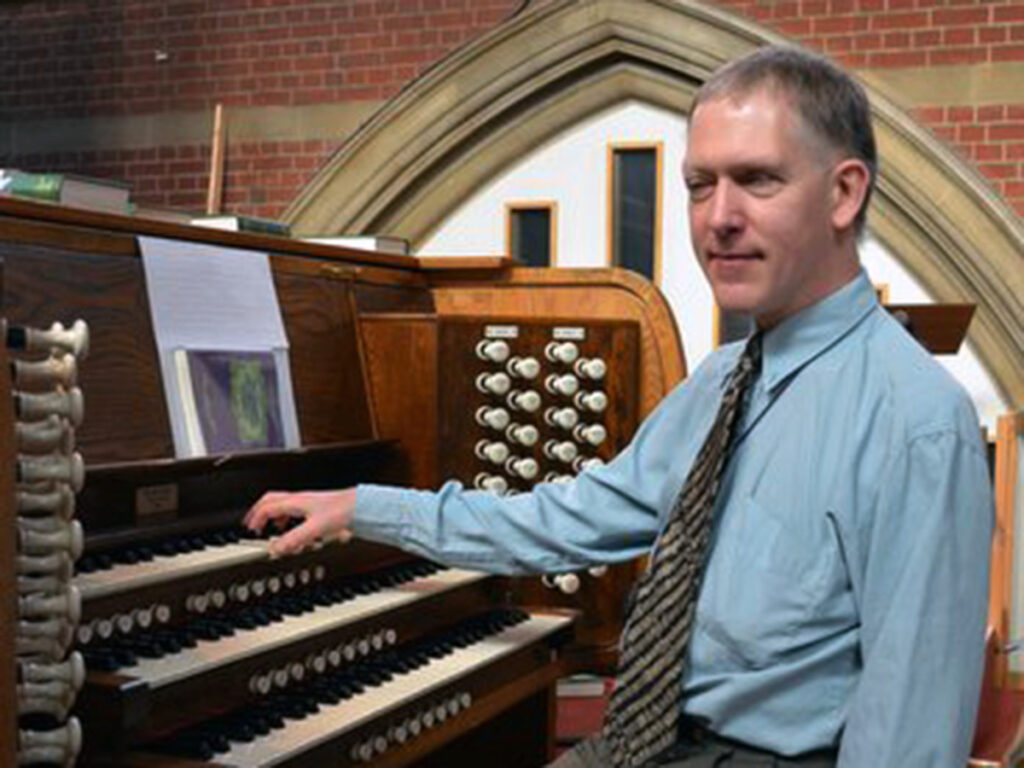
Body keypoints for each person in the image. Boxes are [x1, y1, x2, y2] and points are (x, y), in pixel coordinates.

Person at [245, 46, 993, 766]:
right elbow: (566, 519)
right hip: (646, 743)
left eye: (756, 180)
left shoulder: (916, 420)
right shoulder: (721, 381)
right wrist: (366, 509)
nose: (718, 218)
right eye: (701, 185)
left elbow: (909, 738)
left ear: (844, 192)